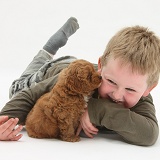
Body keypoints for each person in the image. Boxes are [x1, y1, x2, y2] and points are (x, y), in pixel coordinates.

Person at [0, 17, 159, 146]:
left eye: (130, 90)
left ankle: (47, 53)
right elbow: (28, 96)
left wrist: (96, 110)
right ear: (101, 67)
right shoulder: (69, 81)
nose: (117, 95)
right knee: (17, 88)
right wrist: (4, 120)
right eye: (110, 81)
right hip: (55, 72)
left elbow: (149, 135)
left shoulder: (142, 96)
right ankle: (46, 52)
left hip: (77, 65)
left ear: (148, 89)